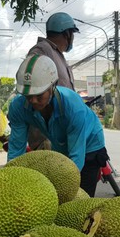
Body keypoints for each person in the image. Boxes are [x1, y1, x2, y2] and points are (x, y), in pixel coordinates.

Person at [7, 54, 108, 197]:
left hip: (89, 144)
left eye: (39, 95)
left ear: (52, 87)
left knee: (80, 197)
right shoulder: (18, 107)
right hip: (59, 145)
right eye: (28, 96)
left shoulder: (72, 106)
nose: (33, 101)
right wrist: (11, 178)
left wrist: (66, 189)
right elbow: (16, 149)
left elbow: (76, 156)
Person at [25, 12, 80, 150]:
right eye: (72, 33)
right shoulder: (42, 50)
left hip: (63, 134)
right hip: (46, 138)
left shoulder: (58, 56)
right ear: (67, 33)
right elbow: (29, 85)